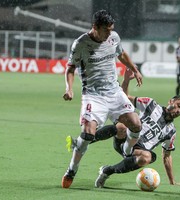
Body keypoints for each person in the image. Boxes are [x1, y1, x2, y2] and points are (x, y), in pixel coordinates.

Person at [61, 10, 143, 188]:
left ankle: (127, 152)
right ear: (95, 27)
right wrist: (69, 89)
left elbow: (121, 54)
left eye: (111, 29)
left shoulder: (113, 37)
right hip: (93, 95)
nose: (109, 33)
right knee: (88, 134)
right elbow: (70, 68)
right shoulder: (81, 44)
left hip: (114, 92)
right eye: (106, 30)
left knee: (136, 123)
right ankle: (72, 170)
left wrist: (135, 69)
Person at [91, 68, 180, 187]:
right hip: (124, 139)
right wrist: (126, 80)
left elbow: (167, 156)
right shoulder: (151, 104)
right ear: (171, 101)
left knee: (147, 157)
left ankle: (107, 171)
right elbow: (125, 98)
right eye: (178, 105)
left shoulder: (171, 131)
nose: (179, 110)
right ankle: (86, 139)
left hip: (136, 153)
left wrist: (172, 181)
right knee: (123, 125)